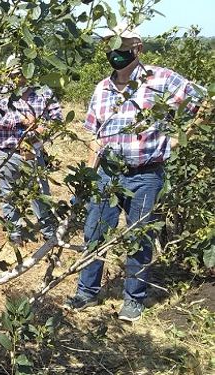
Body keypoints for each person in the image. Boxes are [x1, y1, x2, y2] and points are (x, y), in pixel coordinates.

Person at [64, 24, 202, 321]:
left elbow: (200, 100)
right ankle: (86, 292)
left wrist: (178, 138)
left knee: (138, 236)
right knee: (95, 233)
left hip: (146, 175)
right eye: (112, 45)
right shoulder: (102, 88)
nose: (116, 52)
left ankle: (133, 299)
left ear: (137, 47)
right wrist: (89, 176)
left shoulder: (160, 79)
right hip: (107, 175)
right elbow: (95, 136)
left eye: (123, 45)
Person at [0, 60, 61, 245]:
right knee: (8, 195)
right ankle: (15, 234)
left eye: (20, 72)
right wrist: (19, 119)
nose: (17, 77)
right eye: (13, 73)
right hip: (7, 151)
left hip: (33, 153)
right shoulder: (1, 93)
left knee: (40, 194)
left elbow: (57, 118)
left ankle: (48, 232)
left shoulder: (44, 93)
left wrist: (42, 127)